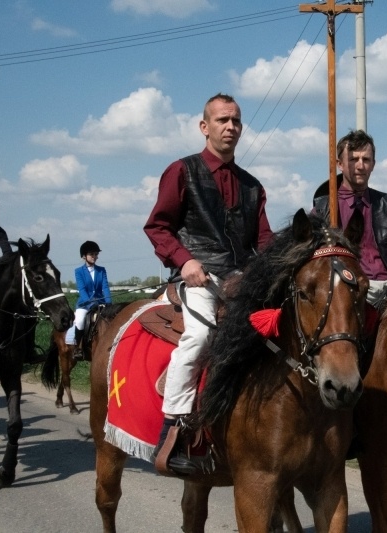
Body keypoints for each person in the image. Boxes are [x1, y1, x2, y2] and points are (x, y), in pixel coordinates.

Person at [144, 93, 273, 476]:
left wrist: (266, 272)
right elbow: (157, 227)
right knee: (199, 339)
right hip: (199, 279)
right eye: (222, 120)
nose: (230, 127)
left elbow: (264, 242)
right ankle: (172, 433)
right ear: (205, 127)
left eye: (235, 121)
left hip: (242, 283)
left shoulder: (253, 186)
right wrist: (185, 261)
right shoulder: (181, 171)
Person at [312, 129, 387, 308]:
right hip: (346, 291)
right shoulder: (323, 210)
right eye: (353, 159)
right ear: (340, 164)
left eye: (366, 159)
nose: (360, 166)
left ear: (373, 164)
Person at [64, 241, 112, 359]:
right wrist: (91, 302)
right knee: (80, 321)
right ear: (84, 256)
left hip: (102, 302)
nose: (94, 257)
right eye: (92, 254)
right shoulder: (79, 271)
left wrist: (109, 302)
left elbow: (105, 287)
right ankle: (78, 348)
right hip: (85, 304)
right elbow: (82, 289)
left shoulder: (101, 270)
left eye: (96, 254)